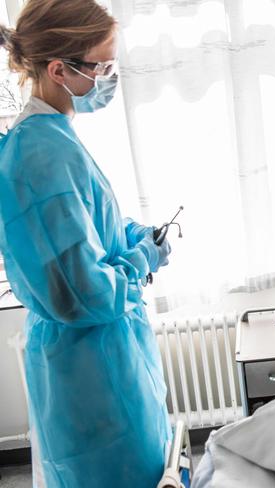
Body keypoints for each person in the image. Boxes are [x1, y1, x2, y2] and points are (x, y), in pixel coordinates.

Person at [0, 1, 172, 486]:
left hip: (103, 357)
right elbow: (83, 295)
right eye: (102, 66)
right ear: (59, 70)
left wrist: (130, 235)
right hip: (91, 374)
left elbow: (84, 239)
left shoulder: (54, 138)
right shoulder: (41, 154)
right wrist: (144, 257)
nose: (110, 76)